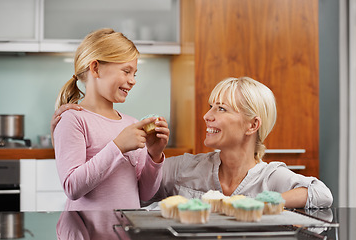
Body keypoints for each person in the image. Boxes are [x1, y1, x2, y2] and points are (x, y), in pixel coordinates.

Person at [52, 76, 333, 209]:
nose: (207, 116)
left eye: (221, 109)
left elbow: (321, 194)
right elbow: (131, 185)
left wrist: (258, 202)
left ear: (252, 125)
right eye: (211, 106)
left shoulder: (270, 177)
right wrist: (75, 121)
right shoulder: (188, 167)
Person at [52, 28, 170, 211]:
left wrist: (153, 155)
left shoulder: (131, 124)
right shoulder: (73, 119)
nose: (133, 80)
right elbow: (72, 188)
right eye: (126, 71)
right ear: (96, 68)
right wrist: (118, 147)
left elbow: (145, 194)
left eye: (134, 73)